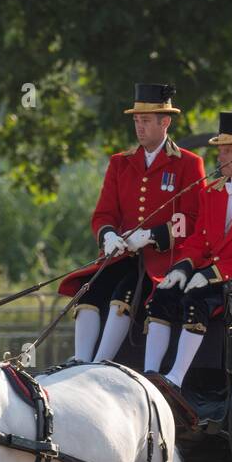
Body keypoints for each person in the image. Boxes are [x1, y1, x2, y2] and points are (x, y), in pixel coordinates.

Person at [143, 110, 232, 395]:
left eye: (227, 151)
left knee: (196, 299)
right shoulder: (210, 192)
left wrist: (212, 274)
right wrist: (183, 266)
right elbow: (200, 239)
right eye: (220, 150)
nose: (220, 156)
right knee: (161, 295)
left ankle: (176, 378)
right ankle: (150, 375)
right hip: (213, 274)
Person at [58, 83, 205, 363]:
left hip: (159, 260)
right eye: (137, 120)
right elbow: (103, 214)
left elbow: (194, 220)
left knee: (122, 296)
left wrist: (152, 235)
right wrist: (108, 235)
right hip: (121, 255)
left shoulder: (188, 163)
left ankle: (99, 364)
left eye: (146, 120)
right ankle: (80, 360)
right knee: (89, 290)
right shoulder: (120, 163)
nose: (139, 127)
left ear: (165, 122)